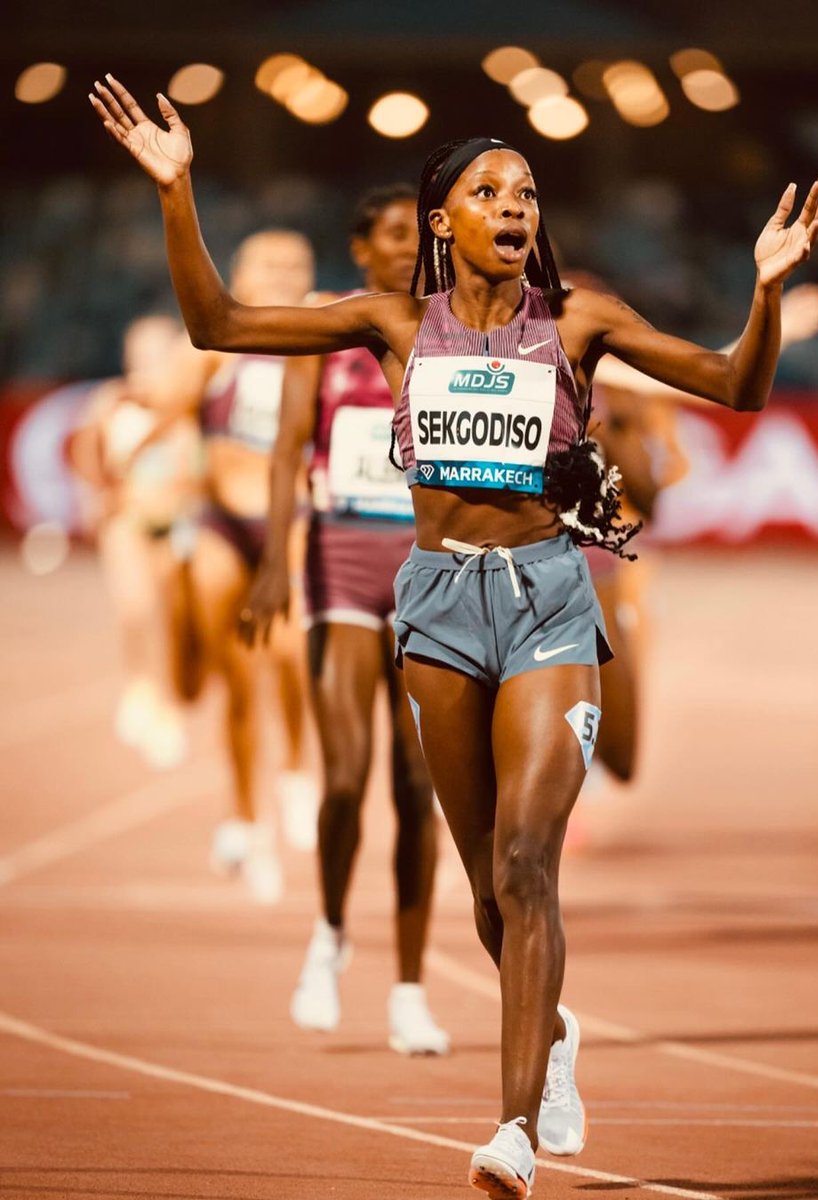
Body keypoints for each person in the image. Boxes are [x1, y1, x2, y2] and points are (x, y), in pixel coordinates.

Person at [90, 76, 818, 1198]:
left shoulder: (580, 320)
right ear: (445, 221)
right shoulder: (395, 324)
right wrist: (178, 189)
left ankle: (515, 1130)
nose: (514, 203)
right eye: (489, 189)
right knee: (487, 884)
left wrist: (766, 292)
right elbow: (218, 326)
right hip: (434, 604)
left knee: (530, 863)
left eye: (527, 189)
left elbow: (740, 383)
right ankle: (555, 1029)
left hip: (546, 601)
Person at [242, 184, 449, 1054]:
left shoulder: (446, 327)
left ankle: (408, 990)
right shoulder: (325, 328)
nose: (410, 249)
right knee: (344, 778)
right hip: (340, 562)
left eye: (420, 236)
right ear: (360, 248)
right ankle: (328, 934)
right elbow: (291, 446)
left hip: (424, 572)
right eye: (394, 236)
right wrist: (271, 562)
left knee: (416, 789)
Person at [582, 281, 818, 789]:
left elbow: (706, 376)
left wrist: (771, 322)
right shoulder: (449, 342)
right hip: (511, 559)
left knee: (623, 754)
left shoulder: (576, 351)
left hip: (601, 554)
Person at [152, 228, 320, 903]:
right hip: (222, 520)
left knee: (294, 653)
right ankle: (246, 815)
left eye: (295, 263)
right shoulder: (212, 345)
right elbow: (166, 412)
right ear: (240, 275)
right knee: (236, 676)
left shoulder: (321, 335)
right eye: (267, 264)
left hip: (295, 519)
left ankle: (298, 771)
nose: (282, 274)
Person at [67, 313, 203, 770]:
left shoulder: (183, 406)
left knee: (171, 617)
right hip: (125, 520)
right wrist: (94, 494)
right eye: (139, 353)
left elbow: (193, 463)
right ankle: (138, 686)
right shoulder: (109, 400)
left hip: (172, 521)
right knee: (135, 607)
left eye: (157, 353)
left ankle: (167, 707)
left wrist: (184, 497)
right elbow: (84, 449)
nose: (147, 362)